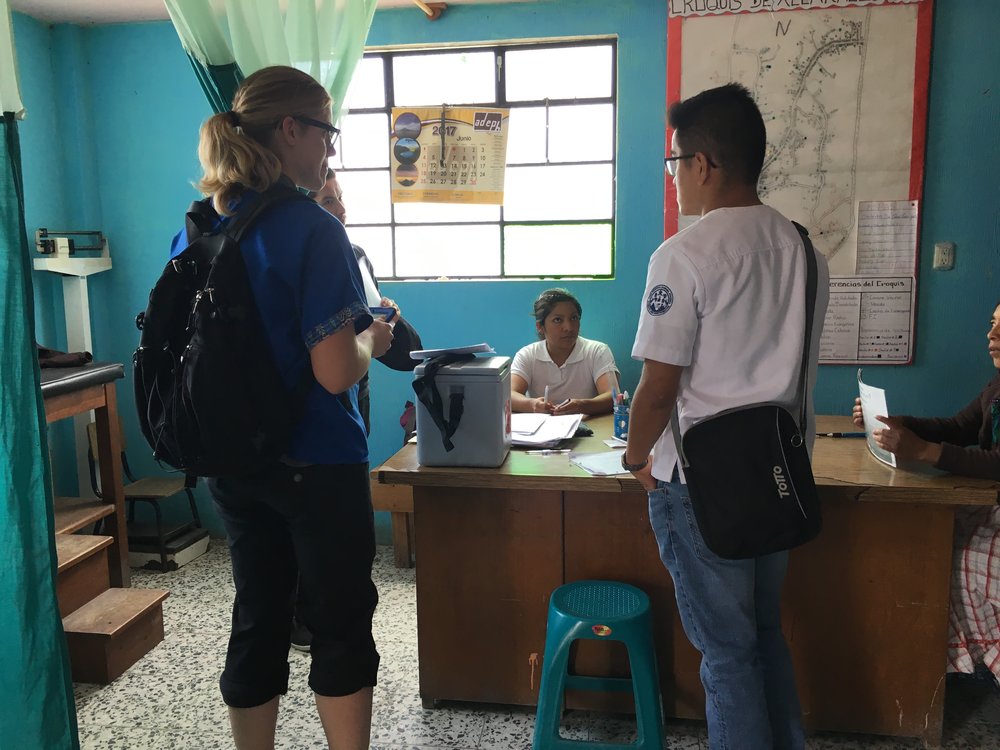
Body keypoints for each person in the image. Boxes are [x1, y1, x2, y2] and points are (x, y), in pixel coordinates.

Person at [176, 66, 393, 750]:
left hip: (233, 458)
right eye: (327, 132)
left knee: (258, 615)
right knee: (339, 621)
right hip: (318, 460)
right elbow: (334, 374)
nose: (331, 150)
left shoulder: (197, 226)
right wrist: (371, 337)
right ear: (292, 129)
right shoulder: (311, 227)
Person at [622, 83, 829, 750]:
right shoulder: (805, 250)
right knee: (762, 633)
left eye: (676, 162)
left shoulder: (683, 255)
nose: (677, 177)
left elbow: (658, 388)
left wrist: (634, 459)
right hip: (779, 475)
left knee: (727, 652)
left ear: (703, 164)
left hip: (700, 484)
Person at [288, 169, 423, 652]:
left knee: (335, 552)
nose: (341, 211)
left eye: (340, 199)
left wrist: (389, 321)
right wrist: (368, 334)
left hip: (348, 418)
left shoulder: (354, 259)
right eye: (327, 201)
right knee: (305, 540)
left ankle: (320, 621)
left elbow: (402, 355)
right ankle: (305, 622)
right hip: (301, 430)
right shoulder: (292, 258)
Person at [852, 302, 1000, 679]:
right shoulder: (996, 387)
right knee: (922, 540)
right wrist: (901, 423)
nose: (991, 336)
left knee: (947, 558)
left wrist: (922, 451)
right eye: (992, 324)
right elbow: (957, 427)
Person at [510, 288, 619, 415]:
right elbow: (509, 395)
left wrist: (582, 405)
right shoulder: (527, 355)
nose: (568, 327)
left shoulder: (597, 351)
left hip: (589, 428)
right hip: (542, 430)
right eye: (558, 320)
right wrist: (533, 405)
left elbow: (613, 396)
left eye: (574, 318)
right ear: (540, 327)